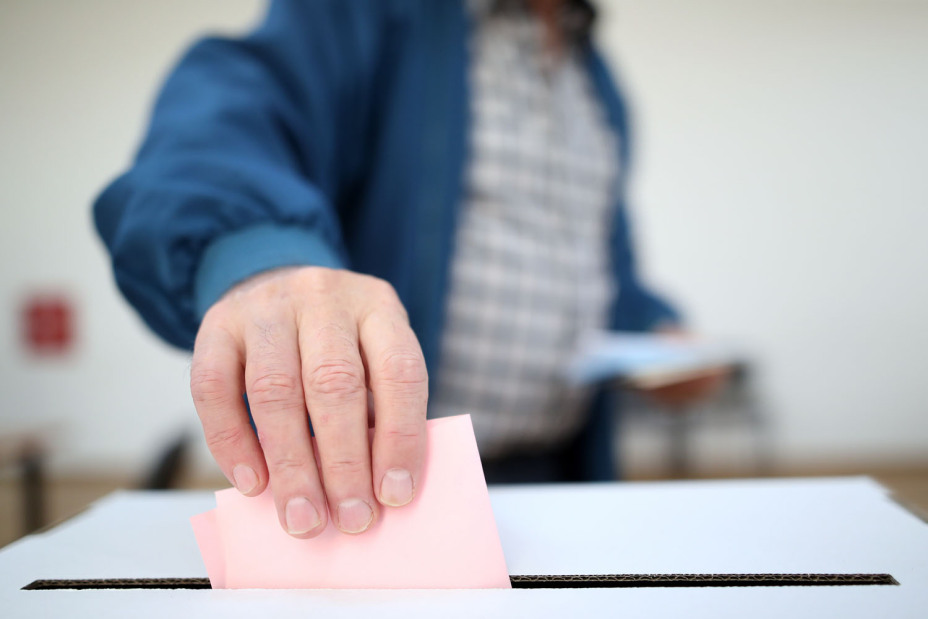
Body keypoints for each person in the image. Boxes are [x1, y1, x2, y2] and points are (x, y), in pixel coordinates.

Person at [94, 0, 722, 539]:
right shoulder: (371, 12)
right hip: (392, 498)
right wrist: (262, 259)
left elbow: (592, 260)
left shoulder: (597, 83)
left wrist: (654, 332)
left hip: (562, 476)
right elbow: (225, 121)